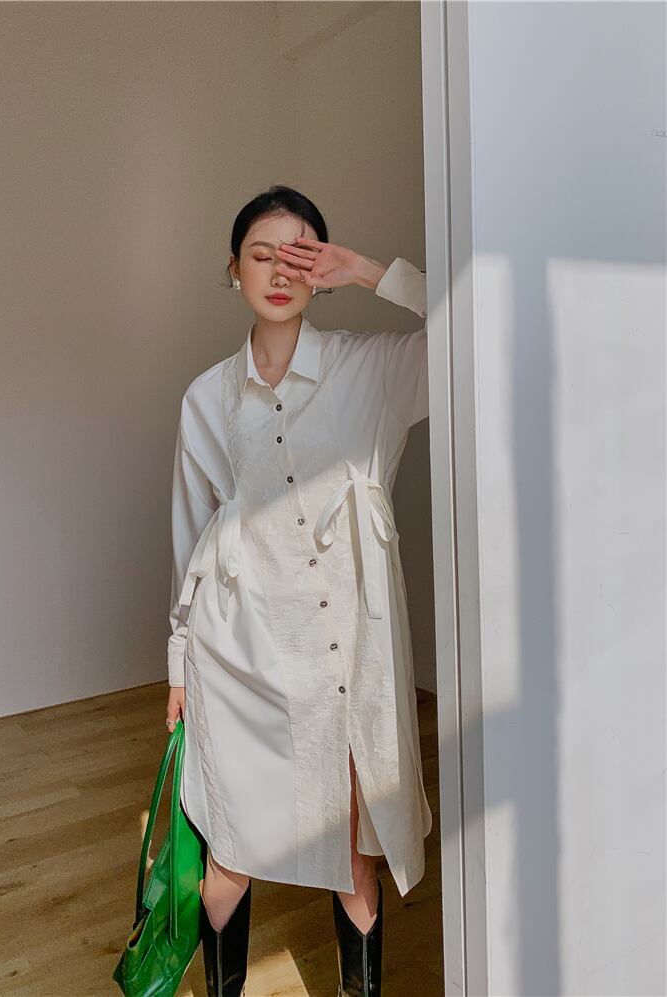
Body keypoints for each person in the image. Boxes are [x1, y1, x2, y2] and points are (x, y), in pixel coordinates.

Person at [165, 185, 433, 997]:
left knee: (353, 852)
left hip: (345, 661)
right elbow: (191, 537)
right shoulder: (207, 398)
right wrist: (178, 667)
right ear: (233, 268)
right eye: (262, 254)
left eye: (301, 255)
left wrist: (370, 271)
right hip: (238, 657)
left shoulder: (371, 368)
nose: (281, 272)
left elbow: (479, 331)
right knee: (229, 850)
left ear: (321, 267)